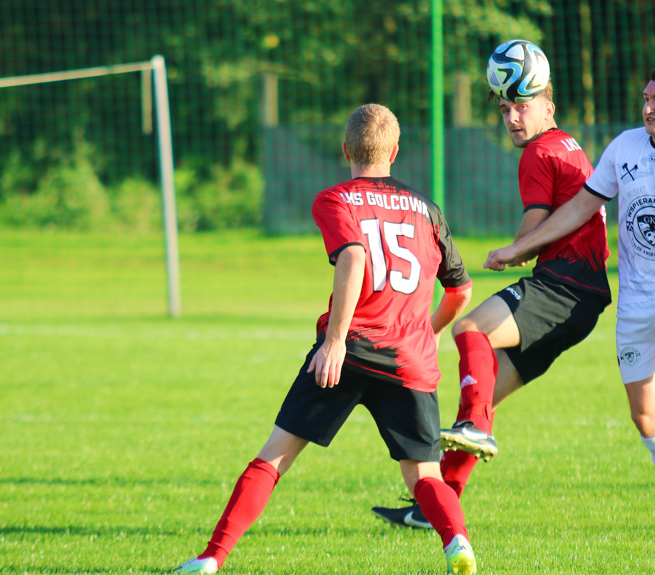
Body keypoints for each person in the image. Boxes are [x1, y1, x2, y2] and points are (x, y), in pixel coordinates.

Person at [173, 104, 478, 575]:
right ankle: (456, 541)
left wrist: (334, 341)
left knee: (274, 457)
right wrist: (427, 333)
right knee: (424, 476)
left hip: (350, 351)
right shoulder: (428, 210)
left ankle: (211, 559)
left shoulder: (335, 199)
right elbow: (461, 290)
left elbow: (354, 258)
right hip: (409, 361)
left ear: (345, 151)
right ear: (395, 151)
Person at [484, 65, 655, 537]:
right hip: (634, 297)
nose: (649, 107)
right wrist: (520, 248)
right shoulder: (624, 146)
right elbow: (580, 208)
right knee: (646, 415)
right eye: (647, 98)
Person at [372, 79, 612, 528]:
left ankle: (476, 429)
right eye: (504, 110)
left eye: (521, 107)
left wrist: (513, 249)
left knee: (470, 329)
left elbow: (535, 226)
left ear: (548, 107)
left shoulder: (539, 152)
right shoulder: (567, 146)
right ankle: (435, 510)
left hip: (565, 284)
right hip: (584, 296)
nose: (512, 119)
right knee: (481, 396)